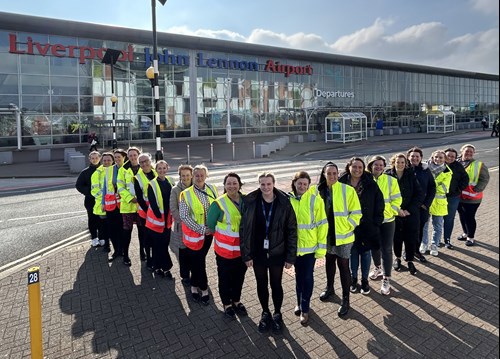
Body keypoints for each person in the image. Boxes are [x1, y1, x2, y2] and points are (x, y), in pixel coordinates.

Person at [240, 172, 297, 334]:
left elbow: (292, 230)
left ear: (274, 184)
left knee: (276, 284)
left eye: (268, 184)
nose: (265, 187)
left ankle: (277, 313)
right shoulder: (251, 202)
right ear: (259, 184)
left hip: (277, 252)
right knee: (261, 284)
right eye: (262, 184)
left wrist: (290, 257)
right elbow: (244, 230)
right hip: (257, 252)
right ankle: (265, 312)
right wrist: (247, 255)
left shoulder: (284, 202)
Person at [317, 162, 361, 316]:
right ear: (324, 174)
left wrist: (347, 226)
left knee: (343, 266)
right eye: (329, 173)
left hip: (344, 236)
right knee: (329, 262)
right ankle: (330, 288)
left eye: (335, 173)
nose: (332, 176)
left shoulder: (347, 190)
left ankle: (346, 298)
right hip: (327, 236)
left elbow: (356, 213)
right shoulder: (319, 191)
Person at [339, 158, 384, 295]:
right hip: (348, 226)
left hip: (367, 225)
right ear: (349, 167)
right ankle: (354, 279)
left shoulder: (370, 183)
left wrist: (376, 221)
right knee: (352, 253)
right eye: (354, 167)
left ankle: (365, 280)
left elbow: (379, 202)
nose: (357, 170)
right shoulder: (341, 183)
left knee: (365, 254)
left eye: (360, 167)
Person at [207, 173, 248, 319]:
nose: (232, 186)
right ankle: (227, 304)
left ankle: (236, 301)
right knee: (225, 278)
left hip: (242, 251)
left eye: (234, 183)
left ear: (239, 184)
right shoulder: (218, 204)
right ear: (224, 186)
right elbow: (210, 227)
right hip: (225, 251)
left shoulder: (246, 200)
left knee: (239, 278)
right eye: (229, 183)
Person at [289, 171, 327, 325]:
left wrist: (320, 249)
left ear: (308, 185)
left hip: (310, 249)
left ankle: (305, 308)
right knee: (298, 277)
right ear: (295, 183)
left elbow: (322, 226)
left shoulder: (315, 200)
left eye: (305, 184)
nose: (302, 186)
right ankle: (299, 302)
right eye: (300, 183)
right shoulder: (288, 200)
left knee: (307, 278)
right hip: (293, 249)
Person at [179, 164, 219, 306]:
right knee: (199, 262)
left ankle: (194, 285)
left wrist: (213, 228)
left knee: (198, 261)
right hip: (195, 235)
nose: (199, 177)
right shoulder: (186, 193)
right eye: (197, 175)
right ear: (192, 176)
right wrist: (202, 229)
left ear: (206, 176)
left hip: (209, 235)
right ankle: (202, 288)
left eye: (202, 175)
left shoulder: (213, 189)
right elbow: (184, 216)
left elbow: (218, 208)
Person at [367, 155, 401, 296]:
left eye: (381, 165)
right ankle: (378, 268)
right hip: (372, 221)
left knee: (386, 249)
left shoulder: (391, 180)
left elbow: (397, 199)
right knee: (374, 247)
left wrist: (390, 212)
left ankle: (386, 279)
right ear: (370, 166)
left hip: (387, 220)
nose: (379, 167)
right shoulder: (366, 179)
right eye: (376, 165)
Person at [386, 153, 424, 275]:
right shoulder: (387, 176)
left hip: (410, 214)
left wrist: (409, 210)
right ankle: (397, 258)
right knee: (396, 238)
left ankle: (409, 260)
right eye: (398, 162)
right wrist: (397, 210)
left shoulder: (411, 175)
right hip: (395, 213)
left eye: (403, 162)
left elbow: (419, 195)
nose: (400, 164)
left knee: (411, 238)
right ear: (393, 163)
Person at [420, 150, 452, 257]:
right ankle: (424, 243)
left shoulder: (447, 172)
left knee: (437, 226)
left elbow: (444, 188)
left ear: (445, 159)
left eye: (441, 158)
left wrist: (430, 184)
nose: (438, 159)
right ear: (432, 157)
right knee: (424, 225)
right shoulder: (425, 168)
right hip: (426, 201)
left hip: (439, 203)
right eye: (436, 157)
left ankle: (435, 245)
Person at [145, 160, 175, 278]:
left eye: (164, 168)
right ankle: (165, 268)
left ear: (167, 169)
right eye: (159, 168)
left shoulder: (170, 181)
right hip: (156, 222)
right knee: (158, 246)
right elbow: (152, 203)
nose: (162, 170)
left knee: (163, 245)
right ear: (155, 170)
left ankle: (158, 266)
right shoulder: (152, 184)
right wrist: (160, 218)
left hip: (167, 221)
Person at [407, 147, 436, 263]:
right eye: (412, 156)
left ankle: (416, 251)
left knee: (419, 230)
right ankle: (407, 251)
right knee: (408, 231)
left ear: (421, 158)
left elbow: (432, 187)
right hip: (408, 208)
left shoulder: (425, 170)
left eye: (417, 156)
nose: (414, 158)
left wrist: (426, 204)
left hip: (422, 207)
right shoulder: (403, 169)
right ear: (408, 157)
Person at [457, 144, 490, 246]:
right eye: (467, 151)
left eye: (471, 152)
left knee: (470, 217)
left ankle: (470, 237)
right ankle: (465, 233)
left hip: (472, 197)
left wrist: (476, 189)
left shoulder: (479, 164)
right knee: (462, 215)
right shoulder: (456, 162)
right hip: (459, 196)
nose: (469, 153)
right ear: (462, 151)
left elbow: (485, 179)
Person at [117, 147, 143, 266]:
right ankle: (126, 255)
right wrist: (130, 198)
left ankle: (143, 252)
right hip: (128, 206)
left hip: (141, 206)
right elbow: (120, 188)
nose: (133, 157)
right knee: (126, 232)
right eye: (130, 155)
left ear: (138, 155)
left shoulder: (145, 167)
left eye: (135, 155)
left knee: (142, 232)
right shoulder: (123, 170)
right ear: (128, 157)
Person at [170, 164, 193, 286]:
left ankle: (195, 273)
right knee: (183, 253)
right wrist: (185, 222)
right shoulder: (175, 190)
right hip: (182, 228)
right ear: (180, 176)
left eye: (187, 175)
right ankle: (185, 276)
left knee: (194, 253)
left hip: (195, 229)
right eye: (183, 175)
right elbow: (173, 209)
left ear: (191, 175)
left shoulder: (197, 188)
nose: (185, 178)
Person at [442, 148, 469, 249]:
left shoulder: (458, 166)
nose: (450, 158)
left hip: (453, 197)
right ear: (444, 155)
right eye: (448, 155)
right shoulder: (438, 165)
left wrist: (458, 189)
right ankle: (435, 240)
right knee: (437, 220)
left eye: (453, 156)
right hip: (438, 198)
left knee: (449, 219)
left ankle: (447, 240)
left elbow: (465, 179)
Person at [134, 153, 157, 270]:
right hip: (146, 213)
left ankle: (156, 259)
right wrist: (149, 212)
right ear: (139, 164)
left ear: (150, 161)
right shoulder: (137, 178)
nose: (144, 164)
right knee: (147, 237)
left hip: (159, 212)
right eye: (141, 162)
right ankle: (149, 260)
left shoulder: (157, 173)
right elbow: (140, 198)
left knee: (156, 237)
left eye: (146, 161)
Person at [75, 151, 102, 247]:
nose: (95, 160)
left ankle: (102, 237)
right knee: (92, 219)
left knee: (102, 219)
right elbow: (78, 185)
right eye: (92, 158)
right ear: (89, 159)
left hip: (102, 200)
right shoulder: (85, 172)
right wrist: (90, 192)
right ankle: (94, 238)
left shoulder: (105, 170)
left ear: (100, 158)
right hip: (90, 200)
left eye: (96, 158)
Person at [90, 152, 115, 252]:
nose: (107, 162)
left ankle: (116, 247)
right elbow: (94, 190)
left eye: (109, 160)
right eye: (104, 160)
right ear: (101, 161)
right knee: (104, 226)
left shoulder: (116, 171)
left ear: (112, 161)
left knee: (113, 226)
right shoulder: (97, 173)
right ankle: (106, 245)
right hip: (103, 205)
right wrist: (105, 200)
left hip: (115, 205)